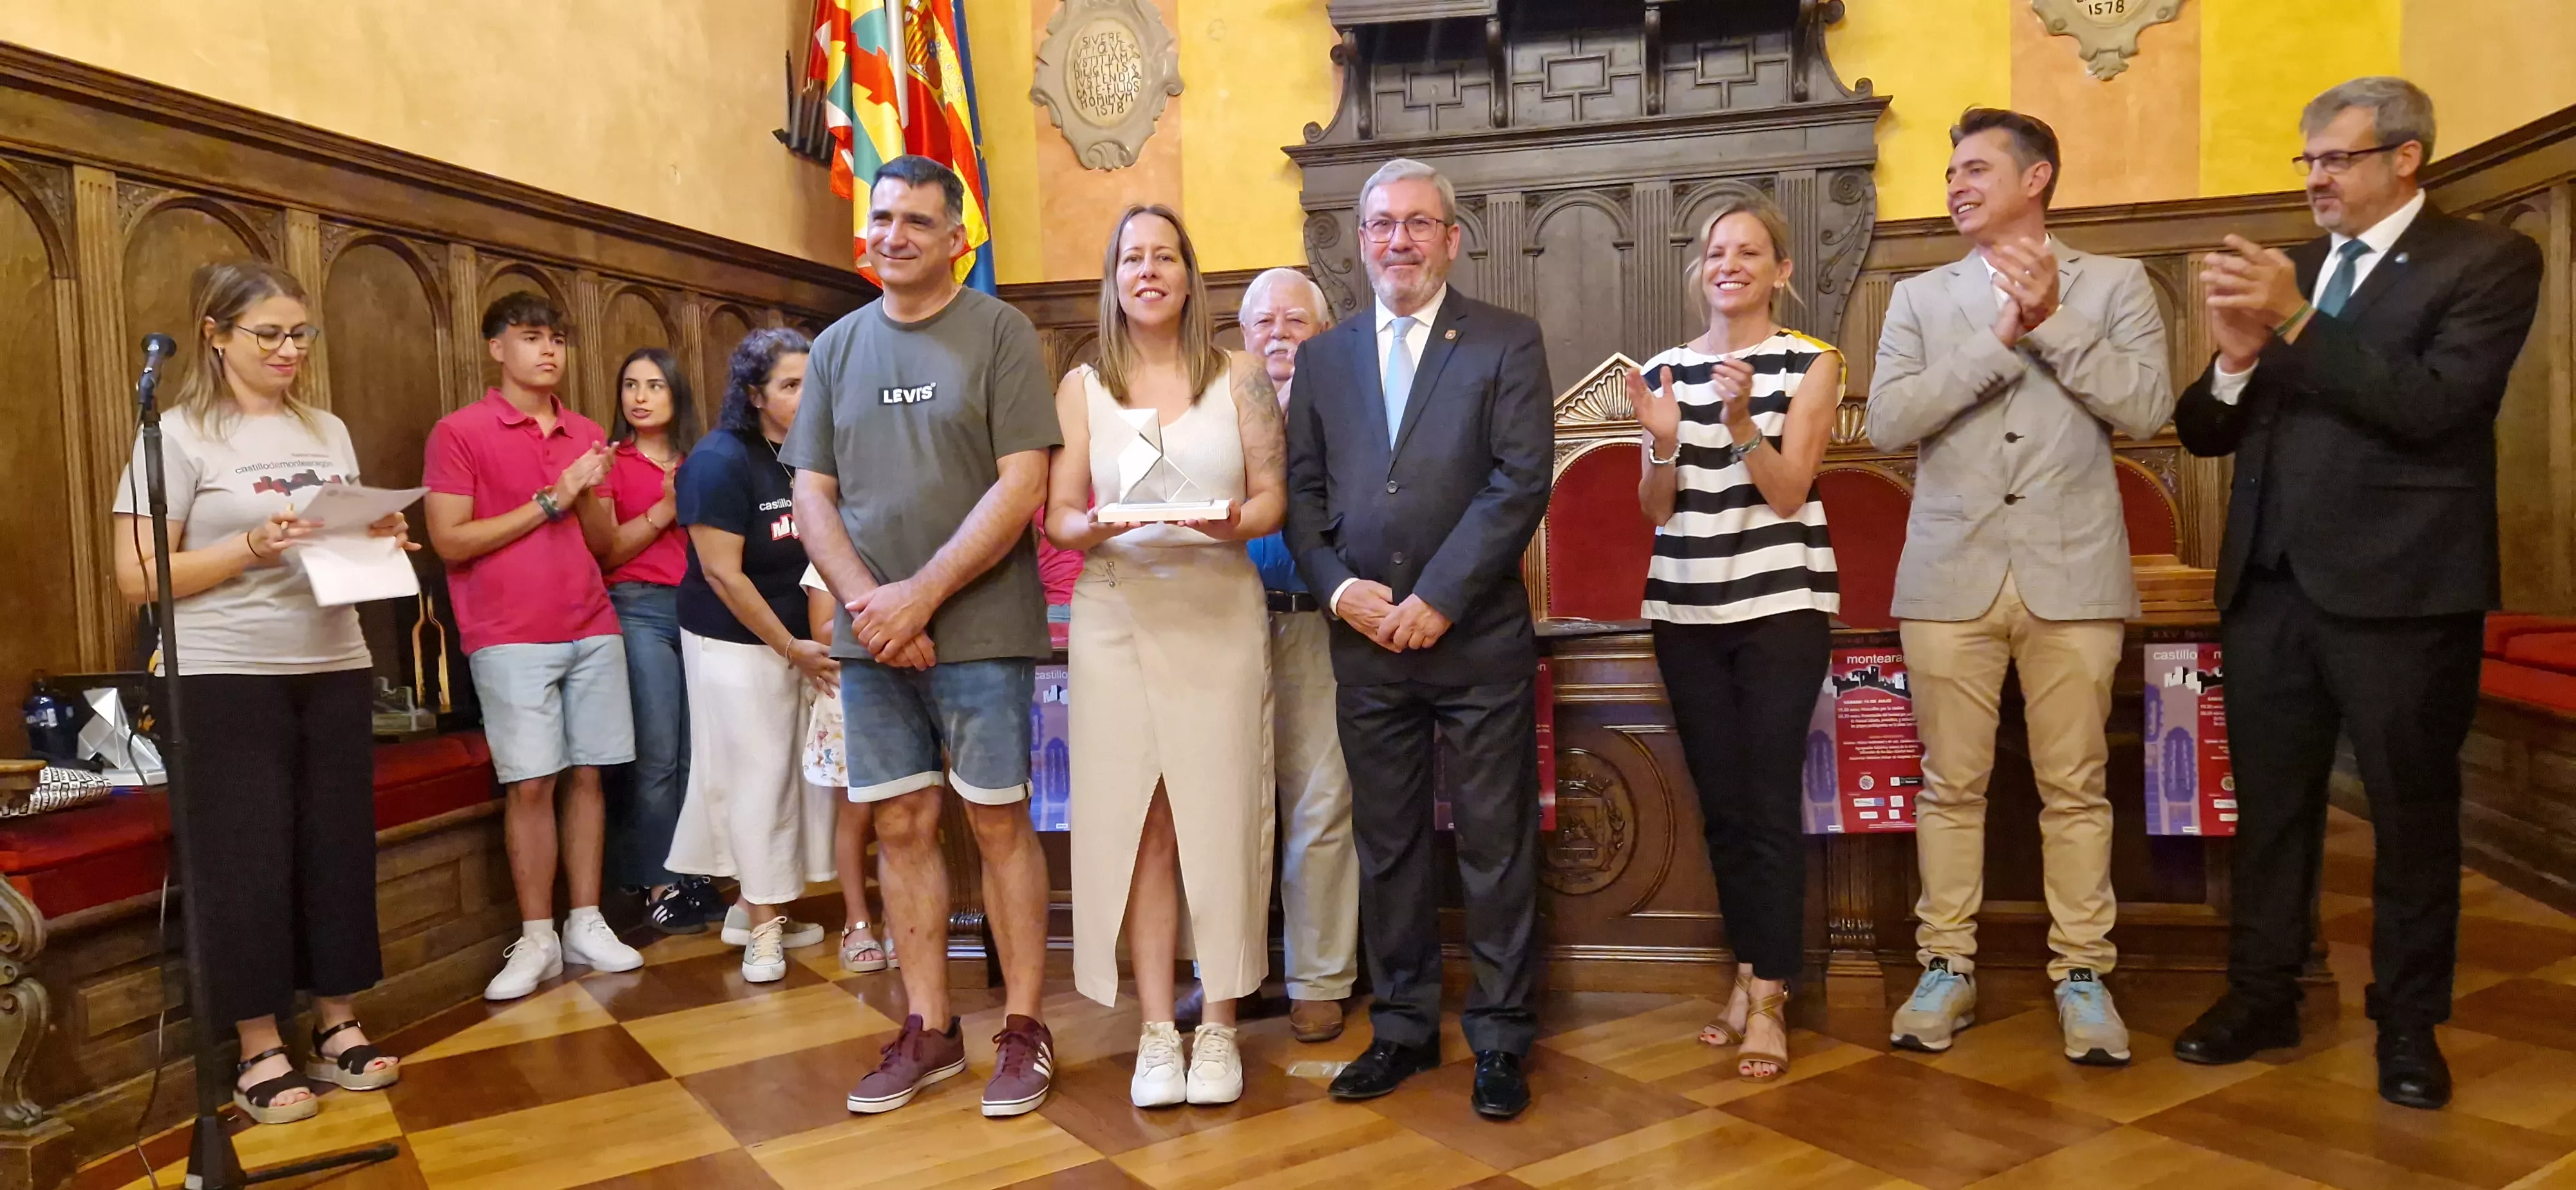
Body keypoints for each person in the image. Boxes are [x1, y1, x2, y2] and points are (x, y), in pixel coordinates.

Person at [2170, 78, 2544, 1110]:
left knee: (2411, 817)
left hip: (2405, 591)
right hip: (2271, 587)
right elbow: (2206, 429)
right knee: (2273, 814)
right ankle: (2264, 994)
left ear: (2405, 158)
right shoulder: (2296, 272)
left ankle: (2410, 1025)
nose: (2317, 180)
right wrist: (2239, 362)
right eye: (2309, 162)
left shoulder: (2488, 259)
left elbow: (2434, 407)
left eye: (2335, 159)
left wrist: (2292, 325)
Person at [1866, 108, 2173, 1066]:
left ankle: (2083, 975)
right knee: (1949, 785)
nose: (1955, 185)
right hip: (1948, 574)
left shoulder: (2117, 285)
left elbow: (2149, 408)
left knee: (2076, 788)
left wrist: (2055, 323)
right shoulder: (1920, 298)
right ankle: (1944, 967)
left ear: (2036, 178)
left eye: (1974, 169)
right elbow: (1886, 422)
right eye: (1950, 172)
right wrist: (1998, 341)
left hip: (2073, 573)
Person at [788, 155, 1060, 1119]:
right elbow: (811, 493)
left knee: (994, 822)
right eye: (882, 217)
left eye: (916, 221)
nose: (893, 234)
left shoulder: (1001, 333)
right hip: (873, 640)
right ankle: (930, 1027)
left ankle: (1022, 1026)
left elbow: (1022, 481)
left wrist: (922, 595)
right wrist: (872, 605)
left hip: (980, 630)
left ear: (957, 239)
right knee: (900, 825)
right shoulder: (837, 349)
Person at [110, 260, 411, 1124]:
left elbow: (338, 552)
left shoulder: (327, 428)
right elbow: (136, 576)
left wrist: (377, 537)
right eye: (269, 335)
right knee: (245, 862)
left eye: (300, 334)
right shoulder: (176, 434)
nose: (289, 351)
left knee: (336, 847)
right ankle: (258, 1048)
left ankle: (339, 1023)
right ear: (215, 334)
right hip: (222, 673)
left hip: (331, 661)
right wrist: (250, 543)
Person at [1285, 158, 1555, 1120]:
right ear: (1359, 241)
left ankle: (1501, 1035)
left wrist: (1439, 595)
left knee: (1493, 842)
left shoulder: (1506, 342)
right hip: (1364, 643)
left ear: (1451, 237)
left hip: (1474, 637)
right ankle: (1401, 1027)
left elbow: (1519, 481)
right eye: (1381, 225)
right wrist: (1339, 589)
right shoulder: (1325, 358)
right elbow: (1303, 501)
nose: (1398, 240)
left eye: (1417, 224)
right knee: (1388, 843)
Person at [1046, 205, 1285, 1108]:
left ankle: (1218, 1023)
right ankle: (1157, 1029)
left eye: (1164, 256)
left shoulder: (1241, 376)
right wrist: (1099, 523)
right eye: (1131, 258)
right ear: (1113, 279)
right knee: (1141, 821)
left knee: (1219, 815)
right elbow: (1060, 512)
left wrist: (1231, 522)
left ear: (1190, 276)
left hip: (1216, 606)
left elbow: (1270, 501)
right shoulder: (1083, 387)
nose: (1148, 270)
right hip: (1116, 613)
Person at [1630, 185, 1841, 1083]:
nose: (1729, 265)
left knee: (1766, 802)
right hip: (1685, 608)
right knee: (1720, 803)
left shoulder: (1812, 361)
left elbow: (1791, 492)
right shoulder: (1663, 369)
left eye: (1749, 252)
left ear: (1781, 272)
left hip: (1781, 607)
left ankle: (1770, 995)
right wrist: (1668, 442)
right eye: (1717, 252)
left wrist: (1742, 421)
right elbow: (1655, 506)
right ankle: (1749, 969)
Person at [426, 292, 645, 1002]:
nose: (547, 351)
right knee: (531, 782)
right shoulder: (460, 431)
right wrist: (552, 498)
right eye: (530, 338)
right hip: (507, 632)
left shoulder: (585, 431)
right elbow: (450, 540)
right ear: (497, 349)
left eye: (556, 338)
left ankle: (585, 920)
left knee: (589, 776)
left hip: (590, 621)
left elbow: (606, 545)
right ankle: (536, 934)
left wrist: (584, 493)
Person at [665, 328, 838, 982]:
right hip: (735, 643)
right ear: (752, 394)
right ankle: (762, 932)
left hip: (798, 646)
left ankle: (754, 907)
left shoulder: (808, 453)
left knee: (789, 778)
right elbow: (723, 575)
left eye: (809, 382)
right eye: (790, 385)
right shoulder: (718, 461)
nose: (805, 395)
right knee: (755, 780)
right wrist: (791, 647)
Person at [1228, 267, 1356, 1044]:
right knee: (1229, 806)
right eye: (1262, 323)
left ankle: (1318, 977)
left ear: (1322, 333)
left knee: (1319, 806)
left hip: (1316, 626)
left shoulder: (1348, 411)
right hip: (1224, 623)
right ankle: (1232, 969)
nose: (1277, 335)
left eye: (1295, 323)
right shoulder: (1210, 412)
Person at [595, 347, 714, 935]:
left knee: (697, 754)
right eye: (630, 385)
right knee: (658, 754)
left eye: (654, 386)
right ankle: (656, 882)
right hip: (637, 608)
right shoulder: (610, 464)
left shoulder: (701, 461)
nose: (639, 397)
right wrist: (666, 510)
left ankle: (693, 873)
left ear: (677, 396)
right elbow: (606, 552)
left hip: (698, 609)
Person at [801, 564, 895, 974]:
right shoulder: (829, 556)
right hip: (851, 692)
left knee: (906, 813)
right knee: (855, 814)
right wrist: (891, 622)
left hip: (907, 684)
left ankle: (901, 917)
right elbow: (822, 629)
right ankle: (856, 921)